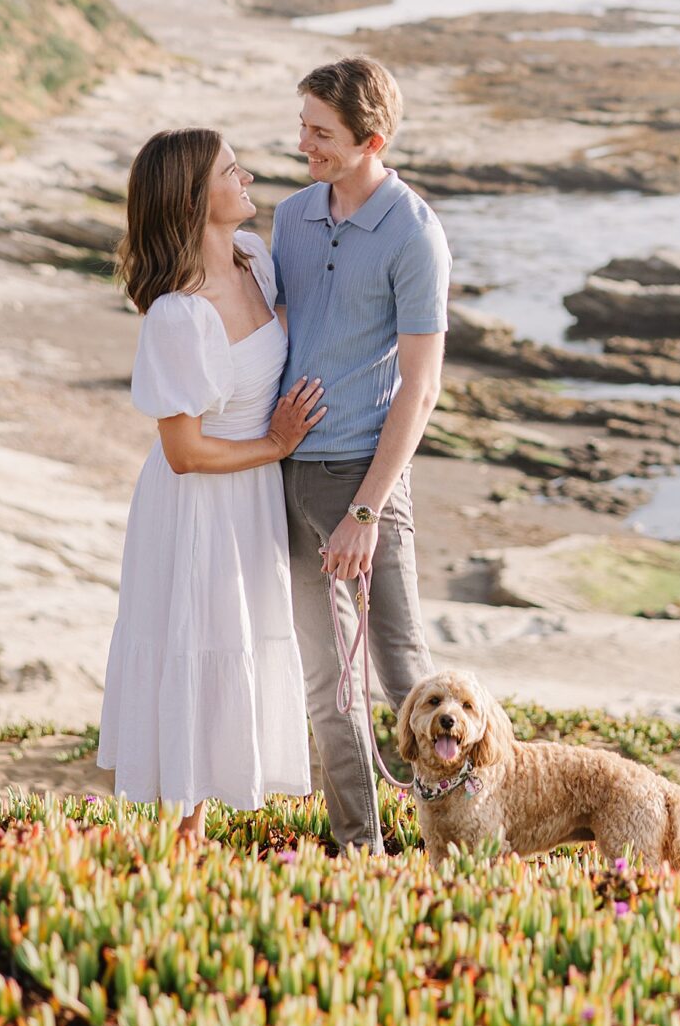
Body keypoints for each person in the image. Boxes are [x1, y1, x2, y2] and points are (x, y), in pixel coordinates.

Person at [97, 126, 326, 841]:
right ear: (197, 198)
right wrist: (276, 443)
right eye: (234, 171)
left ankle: (201, 819)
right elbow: (184, 452)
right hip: (199, 502)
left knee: (241, 636)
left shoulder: (255, 260)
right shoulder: (178, 314)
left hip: (252, 494)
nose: (249, 178)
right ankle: (185, 830)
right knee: (199, 639)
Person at [272, 56, 451, 850]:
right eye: (302, 124)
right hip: (286, 477)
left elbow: (419, 388)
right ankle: (360, 851)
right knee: (325, 685)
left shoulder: (413, 232)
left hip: (366, 480)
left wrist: (366, 511)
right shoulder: (289, 217)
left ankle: (456, 838)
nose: (302, 142)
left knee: (405, 674)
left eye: (320, 132)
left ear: (370, 139)